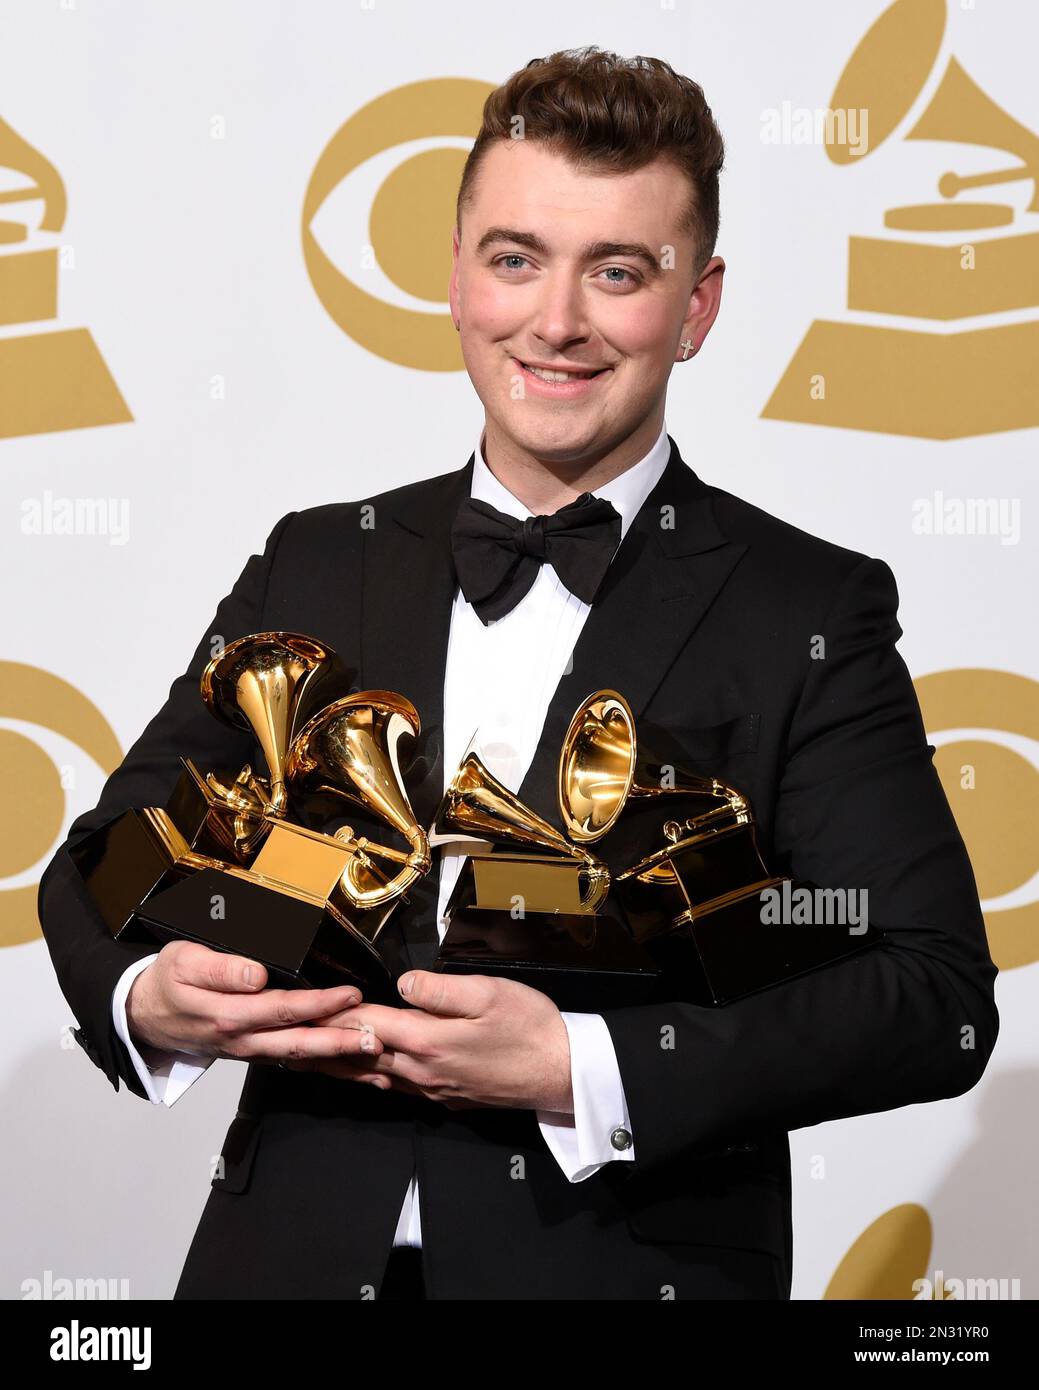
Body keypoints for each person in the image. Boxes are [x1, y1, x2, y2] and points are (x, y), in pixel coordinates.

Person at [37, 47, 998, 1301]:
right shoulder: (318, 560)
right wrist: (146, 994)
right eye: (515, 258)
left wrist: (583, 1066)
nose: (555, 321)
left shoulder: (806, 606)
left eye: (618, 272)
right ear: (454, 278)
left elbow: (926, 990)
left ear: (696, 306)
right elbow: (107, 856)